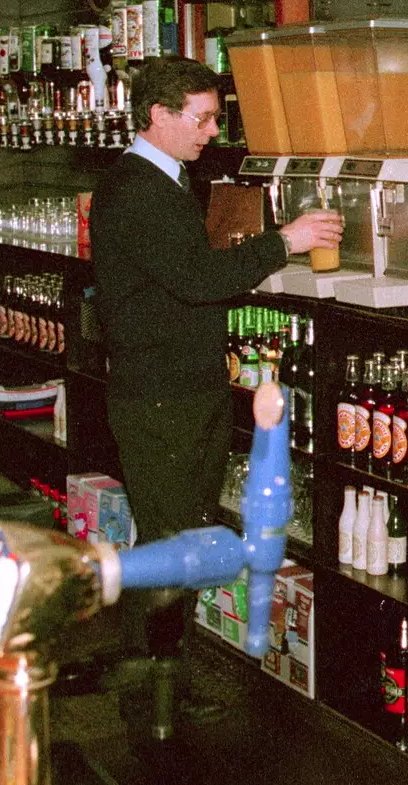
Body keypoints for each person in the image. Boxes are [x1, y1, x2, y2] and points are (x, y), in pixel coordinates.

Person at [90, 55, 341, 749]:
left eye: (214, 116)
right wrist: (283, 241)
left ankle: (150, 677)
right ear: (158, 117)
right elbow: (198, 278)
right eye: (199, 117)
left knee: (169, 539)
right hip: (161, 397)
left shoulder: (159, 180)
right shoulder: (140, 189)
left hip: (171, 390)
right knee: (175, 548)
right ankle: (157, 703)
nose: (210, 130)